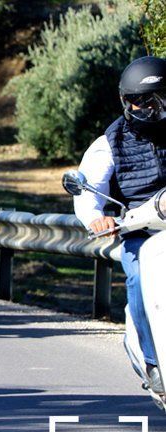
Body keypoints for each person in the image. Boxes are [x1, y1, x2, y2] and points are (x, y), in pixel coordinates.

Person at [73, 55, 166, 393]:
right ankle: (154, 360)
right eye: (142, 103)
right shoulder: (109, 143)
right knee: (141, 279)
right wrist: (96, 218)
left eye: (159, 100)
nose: (152, 110)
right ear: (127, 103)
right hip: (143, 233)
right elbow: (88, 190)